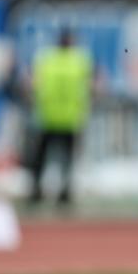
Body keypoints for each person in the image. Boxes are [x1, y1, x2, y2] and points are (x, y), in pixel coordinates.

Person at [29, 28, 93, 205]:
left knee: (41, 157)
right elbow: (93, 85)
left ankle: (37, 191)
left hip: (48, 116)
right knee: (67, 158)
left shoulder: (46, 59)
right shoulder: (80, 61)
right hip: (70, 118)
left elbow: (32, 84)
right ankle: (64, 193)